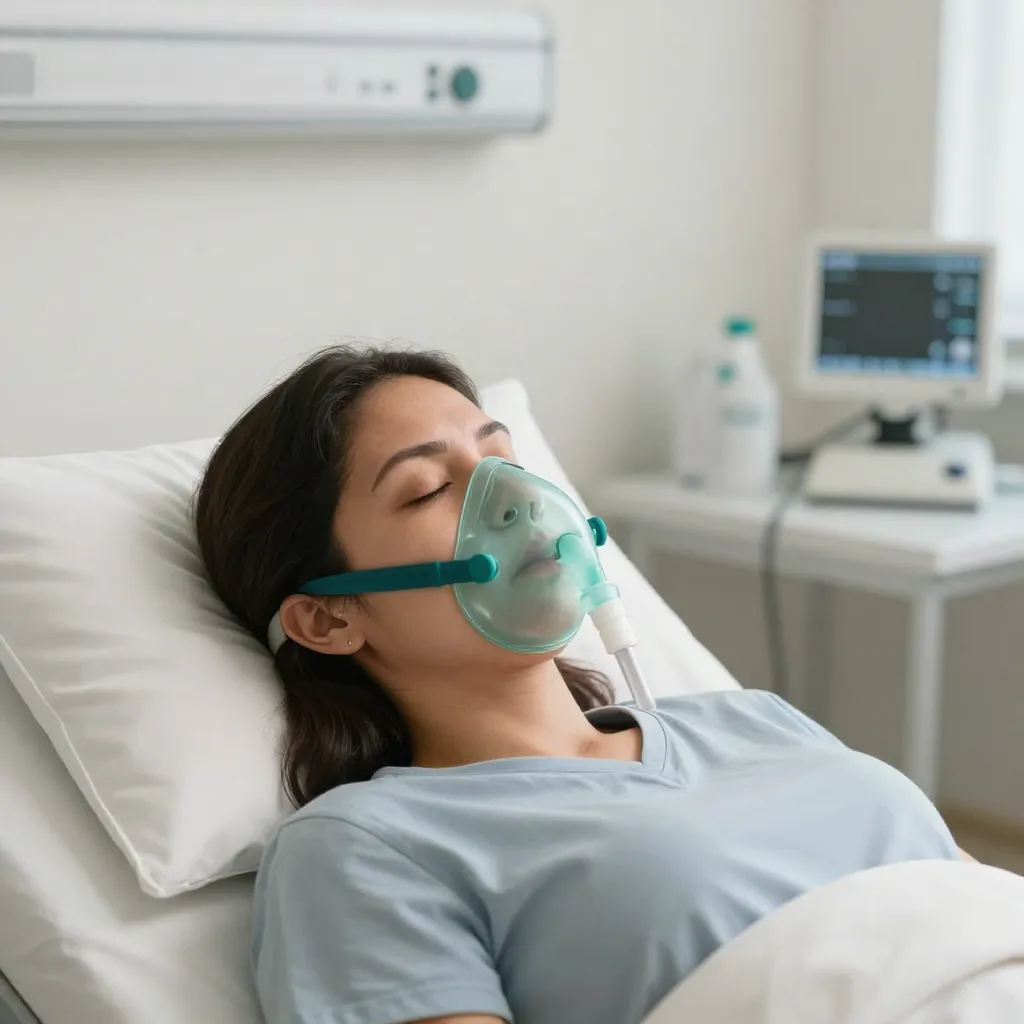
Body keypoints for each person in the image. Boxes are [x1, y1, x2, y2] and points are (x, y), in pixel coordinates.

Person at [194, 345, 967, 1024]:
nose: (517, 503)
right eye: (430, 488)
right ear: (328, 620)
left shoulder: (755, 720)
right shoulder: (369, 847)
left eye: (507, 464)